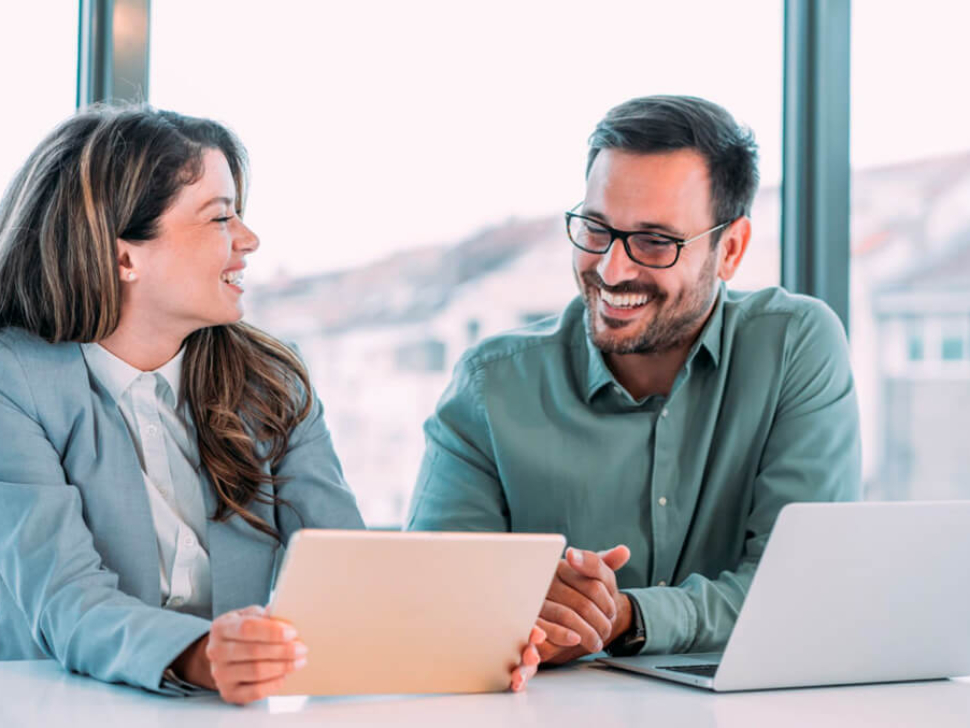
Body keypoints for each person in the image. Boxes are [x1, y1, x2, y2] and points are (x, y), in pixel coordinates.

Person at [0, 105, 542, 703]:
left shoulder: (270, 379)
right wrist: (201, 654)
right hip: (57, 706)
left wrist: (464, 645)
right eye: (220, 218)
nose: (249, 240)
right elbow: (67, 599)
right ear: (124, 255)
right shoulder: (15, 383)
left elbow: (348, 569)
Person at [408, 95, 862, 664]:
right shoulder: (490, 387)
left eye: (655, 242)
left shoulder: (795, 346)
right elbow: (430, 606)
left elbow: (802, 592)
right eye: (596, 229)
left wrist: (625, 616)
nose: (612, 269)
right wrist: (521, 618)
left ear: (732, 250)